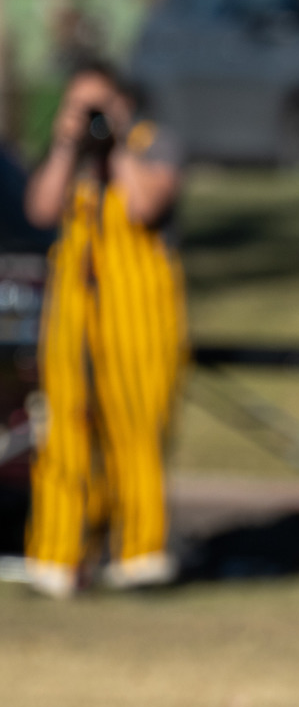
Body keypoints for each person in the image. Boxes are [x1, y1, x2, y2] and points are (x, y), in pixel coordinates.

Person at [24, 59, 186, 599]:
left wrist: (115, 144)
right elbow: (41, 210)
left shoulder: (153, 145)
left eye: (99, 105)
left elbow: (144, 205)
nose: (90, 116)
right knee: (63, 427)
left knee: (135, 426)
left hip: (138, 308)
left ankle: (140, 556)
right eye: (80, 105)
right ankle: (56, 555)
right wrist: (67, 145)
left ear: (123, 102)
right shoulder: (71, 162)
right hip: (73, 309)